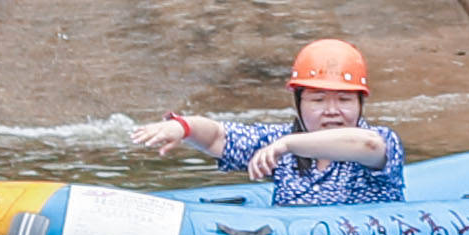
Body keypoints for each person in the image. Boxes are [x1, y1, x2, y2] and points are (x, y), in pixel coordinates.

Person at [134, 35, 405, 207]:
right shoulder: (276, 141)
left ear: (360, 104)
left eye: (345, 100)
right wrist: (183, 127)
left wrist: (289, 144)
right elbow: (219, 137)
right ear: (299, 104)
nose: (331, 110)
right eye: (318, 100)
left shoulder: (382, 142)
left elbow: (367, 145)